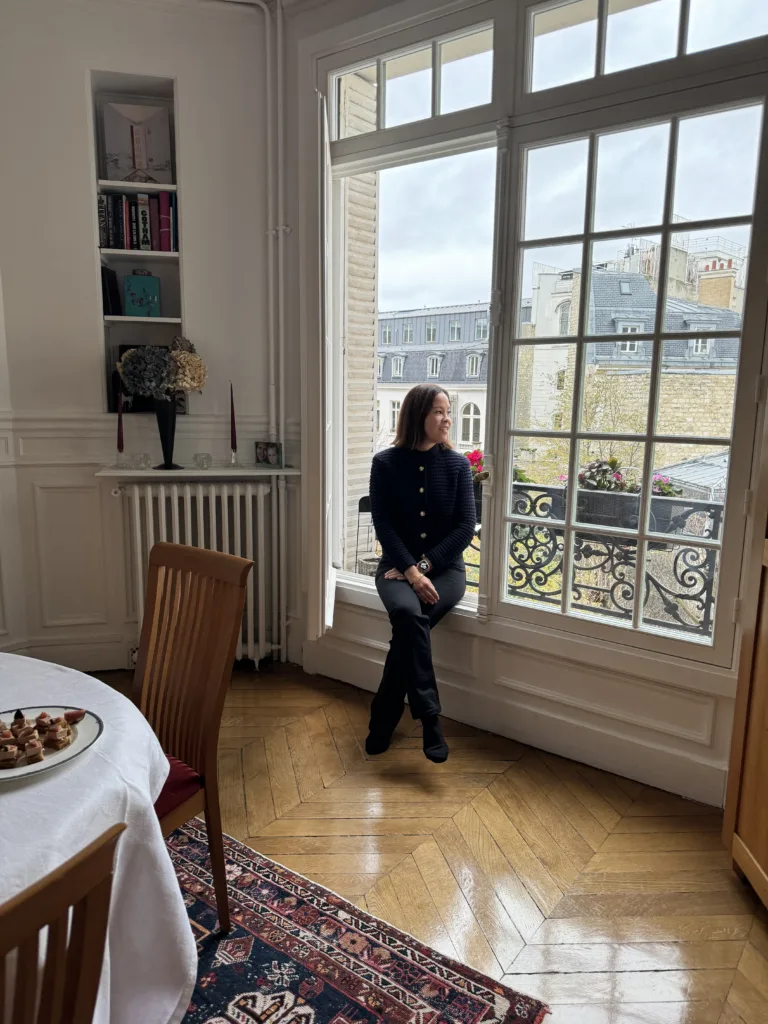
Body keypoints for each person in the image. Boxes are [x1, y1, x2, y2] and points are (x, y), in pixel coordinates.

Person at [367, 384, 477, 763]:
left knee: (407, 632)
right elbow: (384, 525)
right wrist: (411, 571)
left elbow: (466, 528)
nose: (447, 419)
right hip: (395, 568)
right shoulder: (384, 464)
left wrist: (425, 568)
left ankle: (384, 717)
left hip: (445, 572)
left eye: (449, 411)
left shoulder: (459, 466)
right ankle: (430, 718)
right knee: (408, 614)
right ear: (417, 416)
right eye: (438, 412)